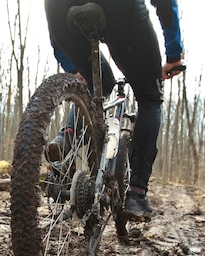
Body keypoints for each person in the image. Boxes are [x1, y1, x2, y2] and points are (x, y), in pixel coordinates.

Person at [44, 0, 185, 222]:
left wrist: (72, 65)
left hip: (59, 7)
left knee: (99, 80)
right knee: (149, 98)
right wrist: (174, 53)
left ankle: (67, 137)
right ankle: (136, 194)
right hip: (120, 10)